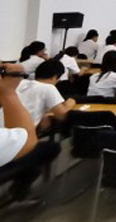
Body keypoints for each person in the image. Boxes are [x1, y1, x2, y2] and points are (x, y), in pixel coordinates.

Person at [0, 63, 60, 207]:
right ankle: (18, 191)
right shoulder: (48, 88)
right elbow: (26, 140)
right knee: (48, 148)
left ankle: (18, 190)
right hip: (7, 158)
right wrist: (8, 92)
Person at [0, 60, 75, 129]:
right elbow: (62, 116)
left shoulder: (20, 83)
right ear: (54, 77)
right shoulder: (48, 88)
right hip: (19, 134)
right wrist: (69, 104)